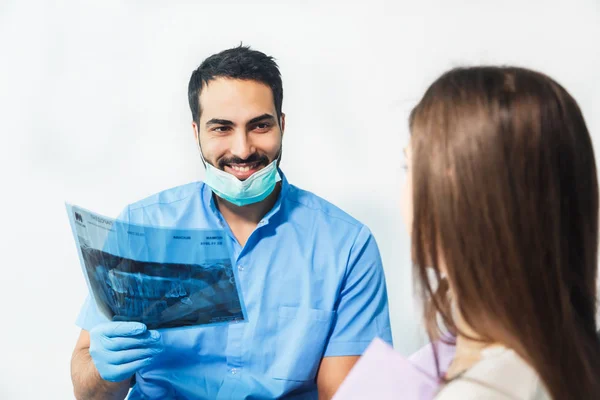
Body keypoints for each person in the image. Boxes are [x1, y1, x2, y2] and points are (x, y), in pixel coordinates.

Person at [70, 45, 392, 399]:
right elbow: (89, 392)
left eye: (260, 126)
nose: (242, 149)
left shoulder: (347, 245)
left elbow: (346, 395)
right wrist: (103, 369)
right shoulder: (142, 226)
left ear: (282, 126)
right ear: (196, 134)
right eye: (222, 128)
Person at [401, 66, 600, 398]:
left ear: (460, 193)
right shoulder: (572, 359)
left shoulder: (485, 390)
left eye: (410, 167)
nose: (406, 187)